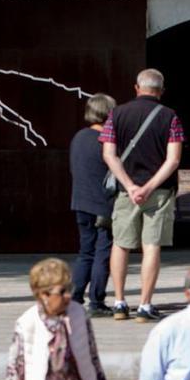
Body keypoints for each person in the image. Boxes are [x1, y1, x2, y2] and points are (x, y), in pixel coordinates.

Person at [101, 68, 184, 323]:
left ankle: (119, 302)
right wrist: (148, 187)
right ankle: (145, 305)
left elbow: (109, 154)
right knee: (151, 246)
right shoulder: (170, 117)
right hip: (159, 192)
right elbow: (173, 160)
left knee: (121, 244)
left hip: (126, 193)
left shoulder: (116, 114)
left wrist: (130, 186)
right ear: (161, 90)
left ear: (137, 88)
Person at [69, 93, 118, 317]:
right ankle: (97, 301)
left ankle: (75, 297)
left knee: (85, 252)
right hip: (103, 205)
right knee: (102, 253)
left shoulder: (78, 137)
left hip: (80, 201)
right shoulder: (107, 141)